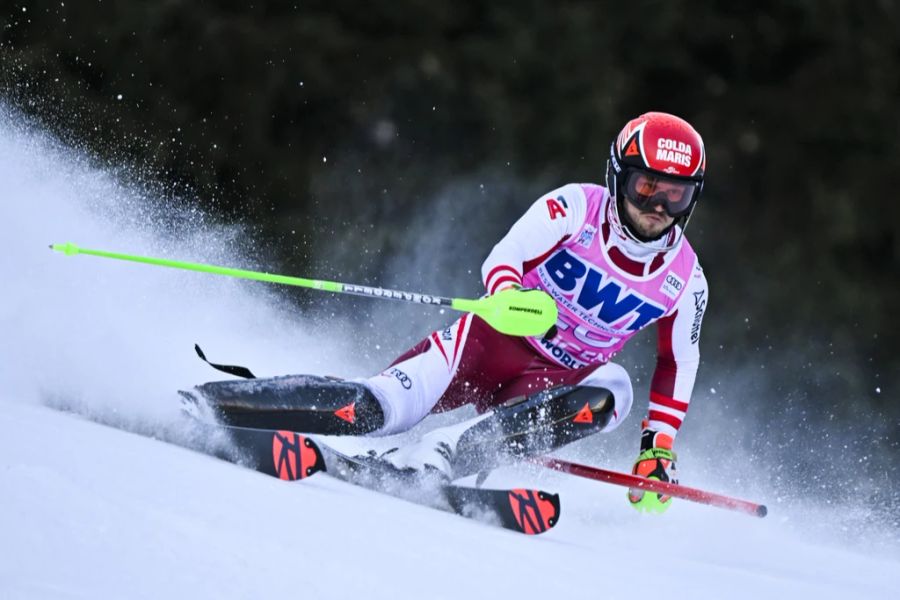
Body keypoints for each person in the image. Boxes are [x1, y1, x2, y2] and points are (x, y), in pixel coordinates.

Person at [184, 111, 708, 514]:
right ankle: (210, 403)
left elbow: (678, 363)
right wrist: (505, 292)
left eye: (676, 195)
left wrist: (657, 448)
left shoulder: (685, 279)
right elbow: (506, 255)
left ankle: (439, 454)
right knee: (372, 408)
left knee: (615, 388)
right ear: (620, 176)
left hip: (551, 384)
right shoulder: (576, 207)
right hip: (489, 344)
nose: (658, 206)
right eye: (646, 185)